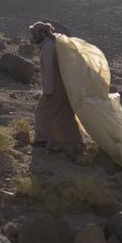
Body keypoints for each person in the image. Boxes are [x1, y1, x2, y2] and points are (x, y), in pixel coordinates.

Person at [30, 21, 84, 158]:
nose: (33, 36)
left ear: (42, 33)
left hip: (55, 86)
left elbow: (49, 70)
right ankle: (69, 143)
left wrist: (48, 90)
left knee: (42, 111)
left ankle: (44, 140)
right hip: (62, 85)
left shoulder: (48, 46)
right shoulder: (52, 45)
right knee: (62, 114)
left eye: (35, 33)